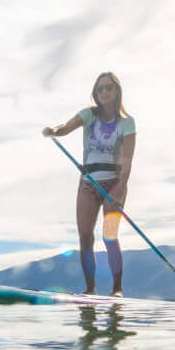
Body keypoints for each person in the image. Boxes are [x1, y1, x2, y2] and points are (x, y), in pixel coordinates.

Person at [42, 71, 136, 295]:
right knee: (85, 236)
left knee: (109, 236)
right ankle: (90, 289)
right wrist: (54, 131)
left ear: (117, 91)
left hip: (115, 183)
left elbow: (128, 159)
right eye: (100, 88)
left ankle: (117, 289)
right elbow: (64, 127)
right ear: (95, 92)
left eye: (109, 88)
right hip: (87, 184)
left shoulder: (127, 123)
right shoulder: (88, 115)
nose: (104, 92)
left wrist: (120, 188)